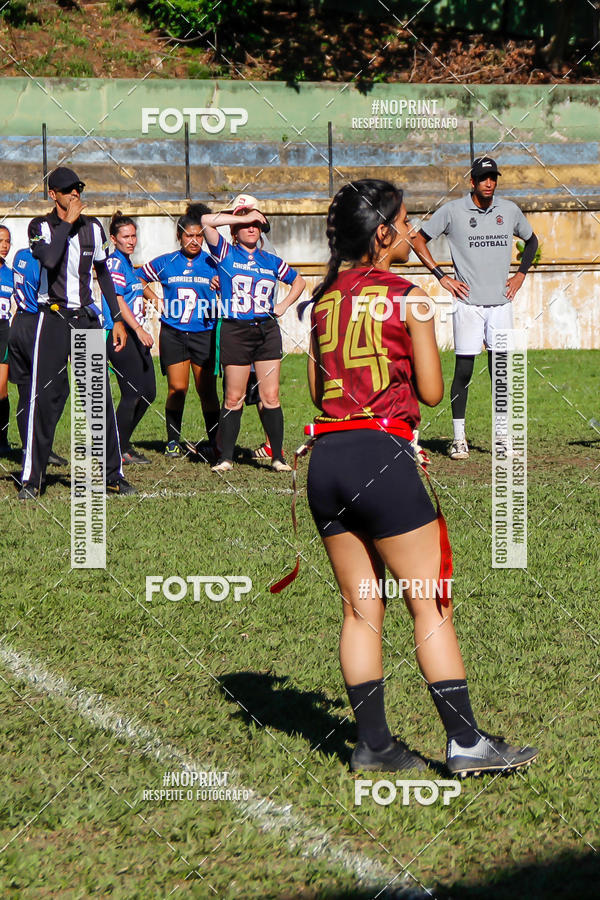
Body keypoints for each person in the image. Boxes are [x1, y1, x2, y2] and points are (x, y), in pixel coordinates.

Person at [304, 178, 538, 776]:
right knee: (429, 606)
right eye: (405, 223)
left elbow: (316, 391)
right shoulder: (407, 295)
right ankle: (465, 744)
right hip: (380, 456)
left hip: (326, 460)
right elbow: (433, 394)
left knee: (360, 609)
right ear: (382, 233)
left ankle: (374, 745)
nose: (412, 232)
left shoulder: (324, 296)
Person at [411, 156, 538, 460]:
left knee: (501, 372)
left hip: (500, 305)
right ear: (472, 182)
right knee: (464, 370)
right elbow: (418, 239)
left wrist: (520, 275)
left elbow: (532, 242)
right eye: (483, 178)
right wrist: (441, 276)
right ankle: (458, 439)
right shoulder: (453, 211)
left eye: (493, 177)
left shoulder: (508, 210)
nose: (489, 183)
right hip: (467, 304)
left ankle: (503, 439)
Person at [20, 166, 135, 500]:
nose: (75, 195)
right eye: (68, 190)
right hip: (53, 318)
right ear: (52, 194)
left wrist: (116, 318)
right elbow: (51, 260)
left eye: (78, 189)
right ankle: (32, 478)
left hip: (85, 318)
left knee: (97, 398)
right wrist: (68, 221)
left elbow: (104, 274)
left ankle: (112, 475)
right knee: (46, 397)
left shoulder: (94, 228)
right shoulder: (40, 227)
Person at [200, 203, 306, 473]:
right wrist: (247, 214)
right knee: (233, 398)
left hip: (266, 331)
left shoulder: (270, 260)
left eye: (256, 225)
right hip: (236, 330)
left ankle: (277, 457)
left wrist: (282, 307)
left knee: (271, 396)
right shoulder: (225, 252)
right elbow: (205, 220)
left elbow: (299, 281)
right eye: (246, 224)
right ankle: (225, 458)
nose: (251, 228)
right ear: (234, 231)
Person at [139, 212, 220, 458]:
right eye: (189, 235)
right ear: (179, 236)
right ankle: (173, 441)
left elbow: (232, 286)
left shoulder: (213, 262)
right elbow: (139, 277)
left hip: (204, 333)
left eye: (199, 235)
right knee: (177, 388)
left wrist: (220, 285)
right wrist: (155, 299)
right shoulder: (166, 262)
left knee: (206, 390)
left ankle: (215, 441)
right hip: (174, 333)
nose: (194, 240)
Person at [102, 212, 156, 465]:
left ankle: (120, 442)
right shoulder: (114, 263)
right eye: (126, 236)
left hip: (136, 335)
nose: (131, 240)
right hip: (122, 335)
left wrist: (151, 297)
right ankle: (117, 449)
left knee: (149, 393)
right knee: (132, 393)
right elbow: (119, 299)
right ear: (114, 239)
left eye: (134, 235)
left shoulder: (128, 264)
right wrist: (139, 329)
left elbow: (134, 286)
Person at [9, 243, 67, 467]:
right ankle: (40, 448)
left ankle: (28, 449)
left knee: (26, 392)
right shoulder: (42, 260)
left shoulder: (20, 255)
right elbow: (45, 293)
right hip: (36, 324)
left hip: (19, 323)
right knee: (57, 389)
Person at [0, 226, 13, 452]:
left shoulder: (11, 274)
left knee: (1, 390)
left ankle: (2, 441)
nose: (4, 245)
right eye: (0, 240)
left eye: (7, 241)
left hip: (3, 330)